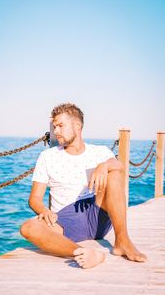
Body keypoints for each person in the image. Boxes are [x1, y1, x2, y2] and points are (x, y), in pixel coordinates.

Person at [20, 103, 147, 269]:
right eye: (54, 127)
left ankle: (122, 241)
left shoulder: (99, 152)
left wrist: (104, 166)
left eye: (60, 126)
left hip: (97, 212)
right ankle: (83, 252)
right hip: (66, 220)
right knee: (28, 227)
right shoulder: (47, 157)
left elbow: (120, 167)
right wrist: (44, 211)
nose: (56, 131)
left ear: (77, 126)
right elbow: (34, 199)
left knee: (113, 173)